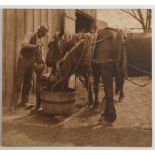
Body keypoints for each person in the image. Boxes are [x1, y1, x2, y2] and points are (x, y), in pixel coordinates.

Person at [11, 24, 49, 110]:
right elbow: (23, 44)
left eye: (44, 34)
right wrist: (35, 46)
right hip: (23, 60)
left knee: (28, 83)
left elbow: (39, 53)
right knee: (18, 82)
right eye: (42, 33)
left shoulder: (39, 40)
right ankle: (13, 104)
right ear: (39, 31)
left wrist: (42, 61)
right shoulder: (30, 34)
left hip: (31, 62)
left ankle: (24, 102)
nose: (43, 35)